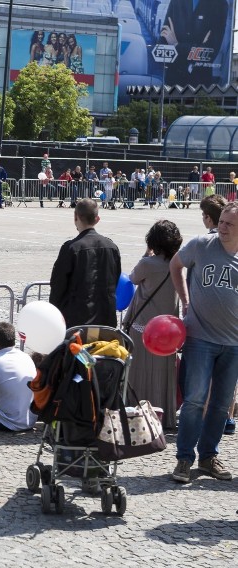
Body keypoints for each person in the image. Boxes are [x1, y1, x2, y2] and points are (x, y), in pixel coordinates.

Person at [168, 203, 238, 483]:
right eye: (221, 222)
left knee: (221, 405)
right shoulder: (200, 245)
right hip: (200, 338)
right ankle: (184, 459)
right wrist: (185, 300)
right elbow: (175, 265)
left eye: (229, 224)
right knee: (195, 400)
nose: (222, 227)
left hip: (233, 344)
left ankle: (209, 456)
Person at [122, 220, 183, 430]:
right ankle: (163, 415)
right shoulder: (176, 264)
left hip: (144, 327)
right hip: (168, 330)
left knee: (139, 372)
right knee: (163, 373)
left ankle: (137, 413)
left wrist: (146, 253)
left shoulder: (148, 264)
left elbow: (132, 278)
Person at [49, 198, 122, 327]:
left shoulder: (71, 248)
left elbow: (57, 285)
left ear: (75, 217)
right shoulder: (111, 247)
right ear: (97, 219)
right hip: (106, 320)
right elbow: (115, 279)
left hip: (76, 320)